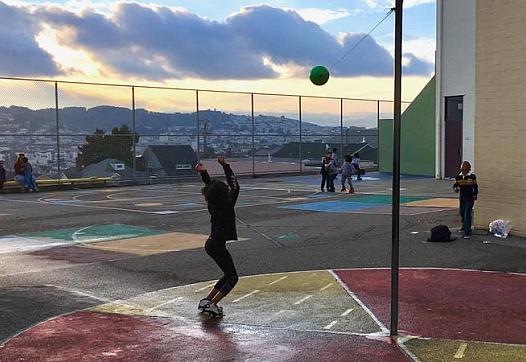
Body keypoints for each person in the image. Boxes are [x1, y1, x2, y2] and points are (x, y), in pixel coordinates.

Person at [195, 156, 240, 318]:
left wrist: (204, 173)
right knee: (233, 277)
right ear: (224, 194)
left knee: (227, 274)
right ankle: (213, 305)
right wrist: (226, 166)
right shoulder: (227, 205)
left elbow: (210, 187)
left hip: (212, 243)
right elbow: (236, 186)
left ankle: (207, 301)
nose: (228, 188)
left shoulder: (214, 202)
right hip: (217, 245)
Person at [453, 161, 478, 239]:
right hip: (462, 198)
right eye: (462, 170)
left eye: (465, 170)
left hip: (470, 198)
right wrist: (455, 189)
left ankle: (468, 232)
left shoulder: (472, 177)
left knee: (467, 214)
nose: (464, 172)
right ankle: (464, 225)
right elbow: (455, 185)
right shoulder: (458, 177)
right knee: (462, 213)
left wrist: (475, 195)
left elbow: (475, 187)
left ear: (468, 170)